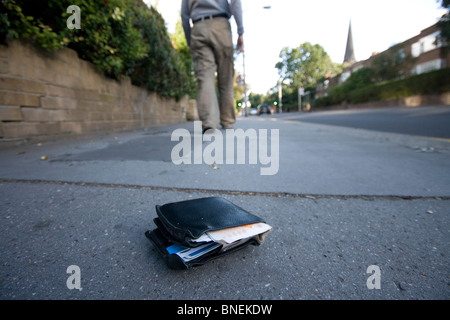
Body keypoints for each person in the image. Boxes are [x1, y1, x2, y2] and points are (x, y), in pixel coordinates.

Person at [181, 0, 244, 133]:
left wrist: (190, 41)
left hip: (198, 27)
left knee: (205, 78)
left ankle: (209, 123)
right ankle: (227, 121)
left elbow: (184, 14)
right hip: (221, 25)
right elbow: (235, 3)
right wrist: (240, 31)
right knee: (226, 78)